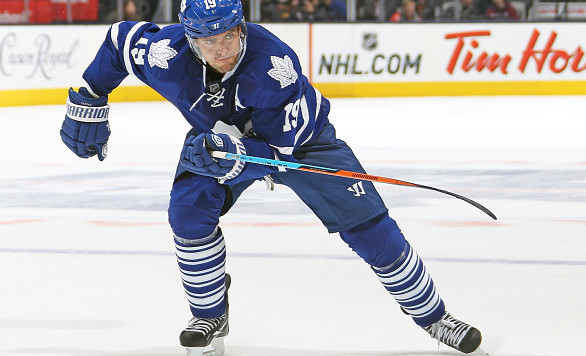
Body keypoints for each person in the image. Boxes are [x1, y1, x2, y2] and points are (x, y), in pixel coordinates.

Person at [58, 0, 484, 354]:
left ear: (241, 28)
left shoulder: (272, 67)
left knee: (370, 228)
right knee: (187, 214)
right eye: (210, 41)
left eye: (229, 35)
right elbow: (118, 42)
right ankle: (210, 315)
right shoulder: (163, 55)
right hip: (219, 140)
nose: (223, 48)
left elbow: (281, 156)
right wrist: (94, 94)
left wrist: (234, 154)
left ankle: (435, 317)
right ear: (190, 40)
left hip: (302, 145)